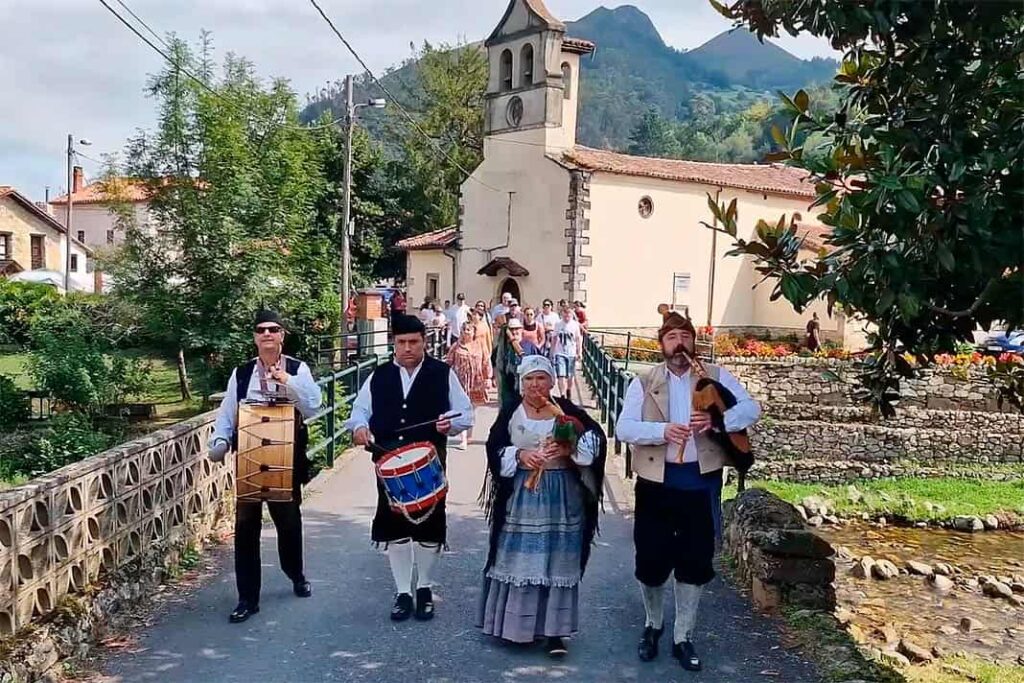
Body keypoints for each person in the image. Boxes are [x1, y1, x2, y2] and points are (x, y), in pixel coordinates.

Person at [616, 313, 760, 672]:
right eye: (671, 338)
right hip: (655, 484)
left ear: (693, 341)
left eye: (685, 336)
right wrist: (663, 431)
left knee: (694, 562)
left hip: (700, 483)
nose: (679, 344)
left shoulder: (714, 375)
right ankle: (653, 624)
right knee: (650, 561)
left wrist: (717, 422)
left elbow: (751, 408)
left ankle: (683, 636)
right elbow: (624, 427)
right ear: (661, 344)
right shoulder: (645, 381)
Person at [344, 314, 475, 622]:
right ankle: (403, 591)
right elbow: (359, 412)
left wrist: (450, 423)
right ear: (394, 342)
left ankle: (425, 588)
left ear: (424, 342)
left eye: (413, 342)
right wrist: (360, 428)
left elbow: (466, 414)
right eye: (401, 342)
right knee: (396, 531)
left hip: (429, 465)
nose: (407, 348)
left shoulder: (443, 373)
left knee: (428, 530)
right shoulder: (379, 376)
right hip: (387, 464)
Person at [479, 355, 607, 657]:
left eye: (541, 378)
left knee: (557, 559)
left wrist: (570, 447)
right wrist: (520, 455)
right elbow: (494, 449)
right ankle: (515, 628)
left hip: (561, 495)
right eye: (529, 379)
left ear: (551, 381)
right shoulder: (511, 412)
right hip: (523, 496)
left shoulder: (568, 411)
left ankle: (555, 634)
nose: (535, 385)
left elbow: (595, 442)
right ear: (521, 383)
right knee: (522, 558)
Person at [208, 310, 323, 624]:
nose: (267, 334)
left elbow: (314, 405)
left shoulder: (299, 369)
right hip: (249, 457)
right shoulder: (242, 373)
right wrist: (220, 440)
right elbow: (227, 411)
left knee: (288, 522)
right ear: (255, 337)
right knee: (246, 529)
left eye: (273, 329)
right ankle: (247, 598)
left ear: (282, 335)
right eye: (261, 330)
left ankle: (295, 573)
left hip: (287, 457)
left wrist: (288, 381)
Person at [446, 321, 491, 448]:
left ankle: (469, 435)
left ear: (473, 332)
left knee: (472, 409)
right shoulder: (456, 346)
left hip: (476, 381)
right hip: (461, 381)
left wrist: (488, 378)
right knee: (463, 409)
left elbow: (486, 361)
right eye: (464, 329)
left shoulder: (480, 345)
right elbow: (448, 362)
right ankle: (463, 439)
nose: (466, 332)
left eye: (469, 330)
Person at [495, 318, 542, 409]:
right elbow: (497, 365)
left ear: (521, 330)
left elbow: (539, 363)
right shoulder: (503, 348)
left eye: (517, 329)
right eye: (512, 329)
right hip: (510, 386)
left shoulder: (529, 345)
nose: (514, 332)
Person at [552, 306, 583, 400]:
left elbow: (578, 339)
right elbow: (554, 338)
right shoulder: (558, 324)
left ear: (571, 314)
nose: (567, 316)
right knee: (561, 375)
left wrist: (579, 351)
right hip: (560, 353)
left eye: (569, 313)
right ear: (562, 314)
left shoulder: (575, 325)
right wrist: (552, 352)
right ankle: (562, 395)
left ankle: (568, 390)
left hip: (571, 353)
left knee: (570, 376)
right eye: (565, 313)